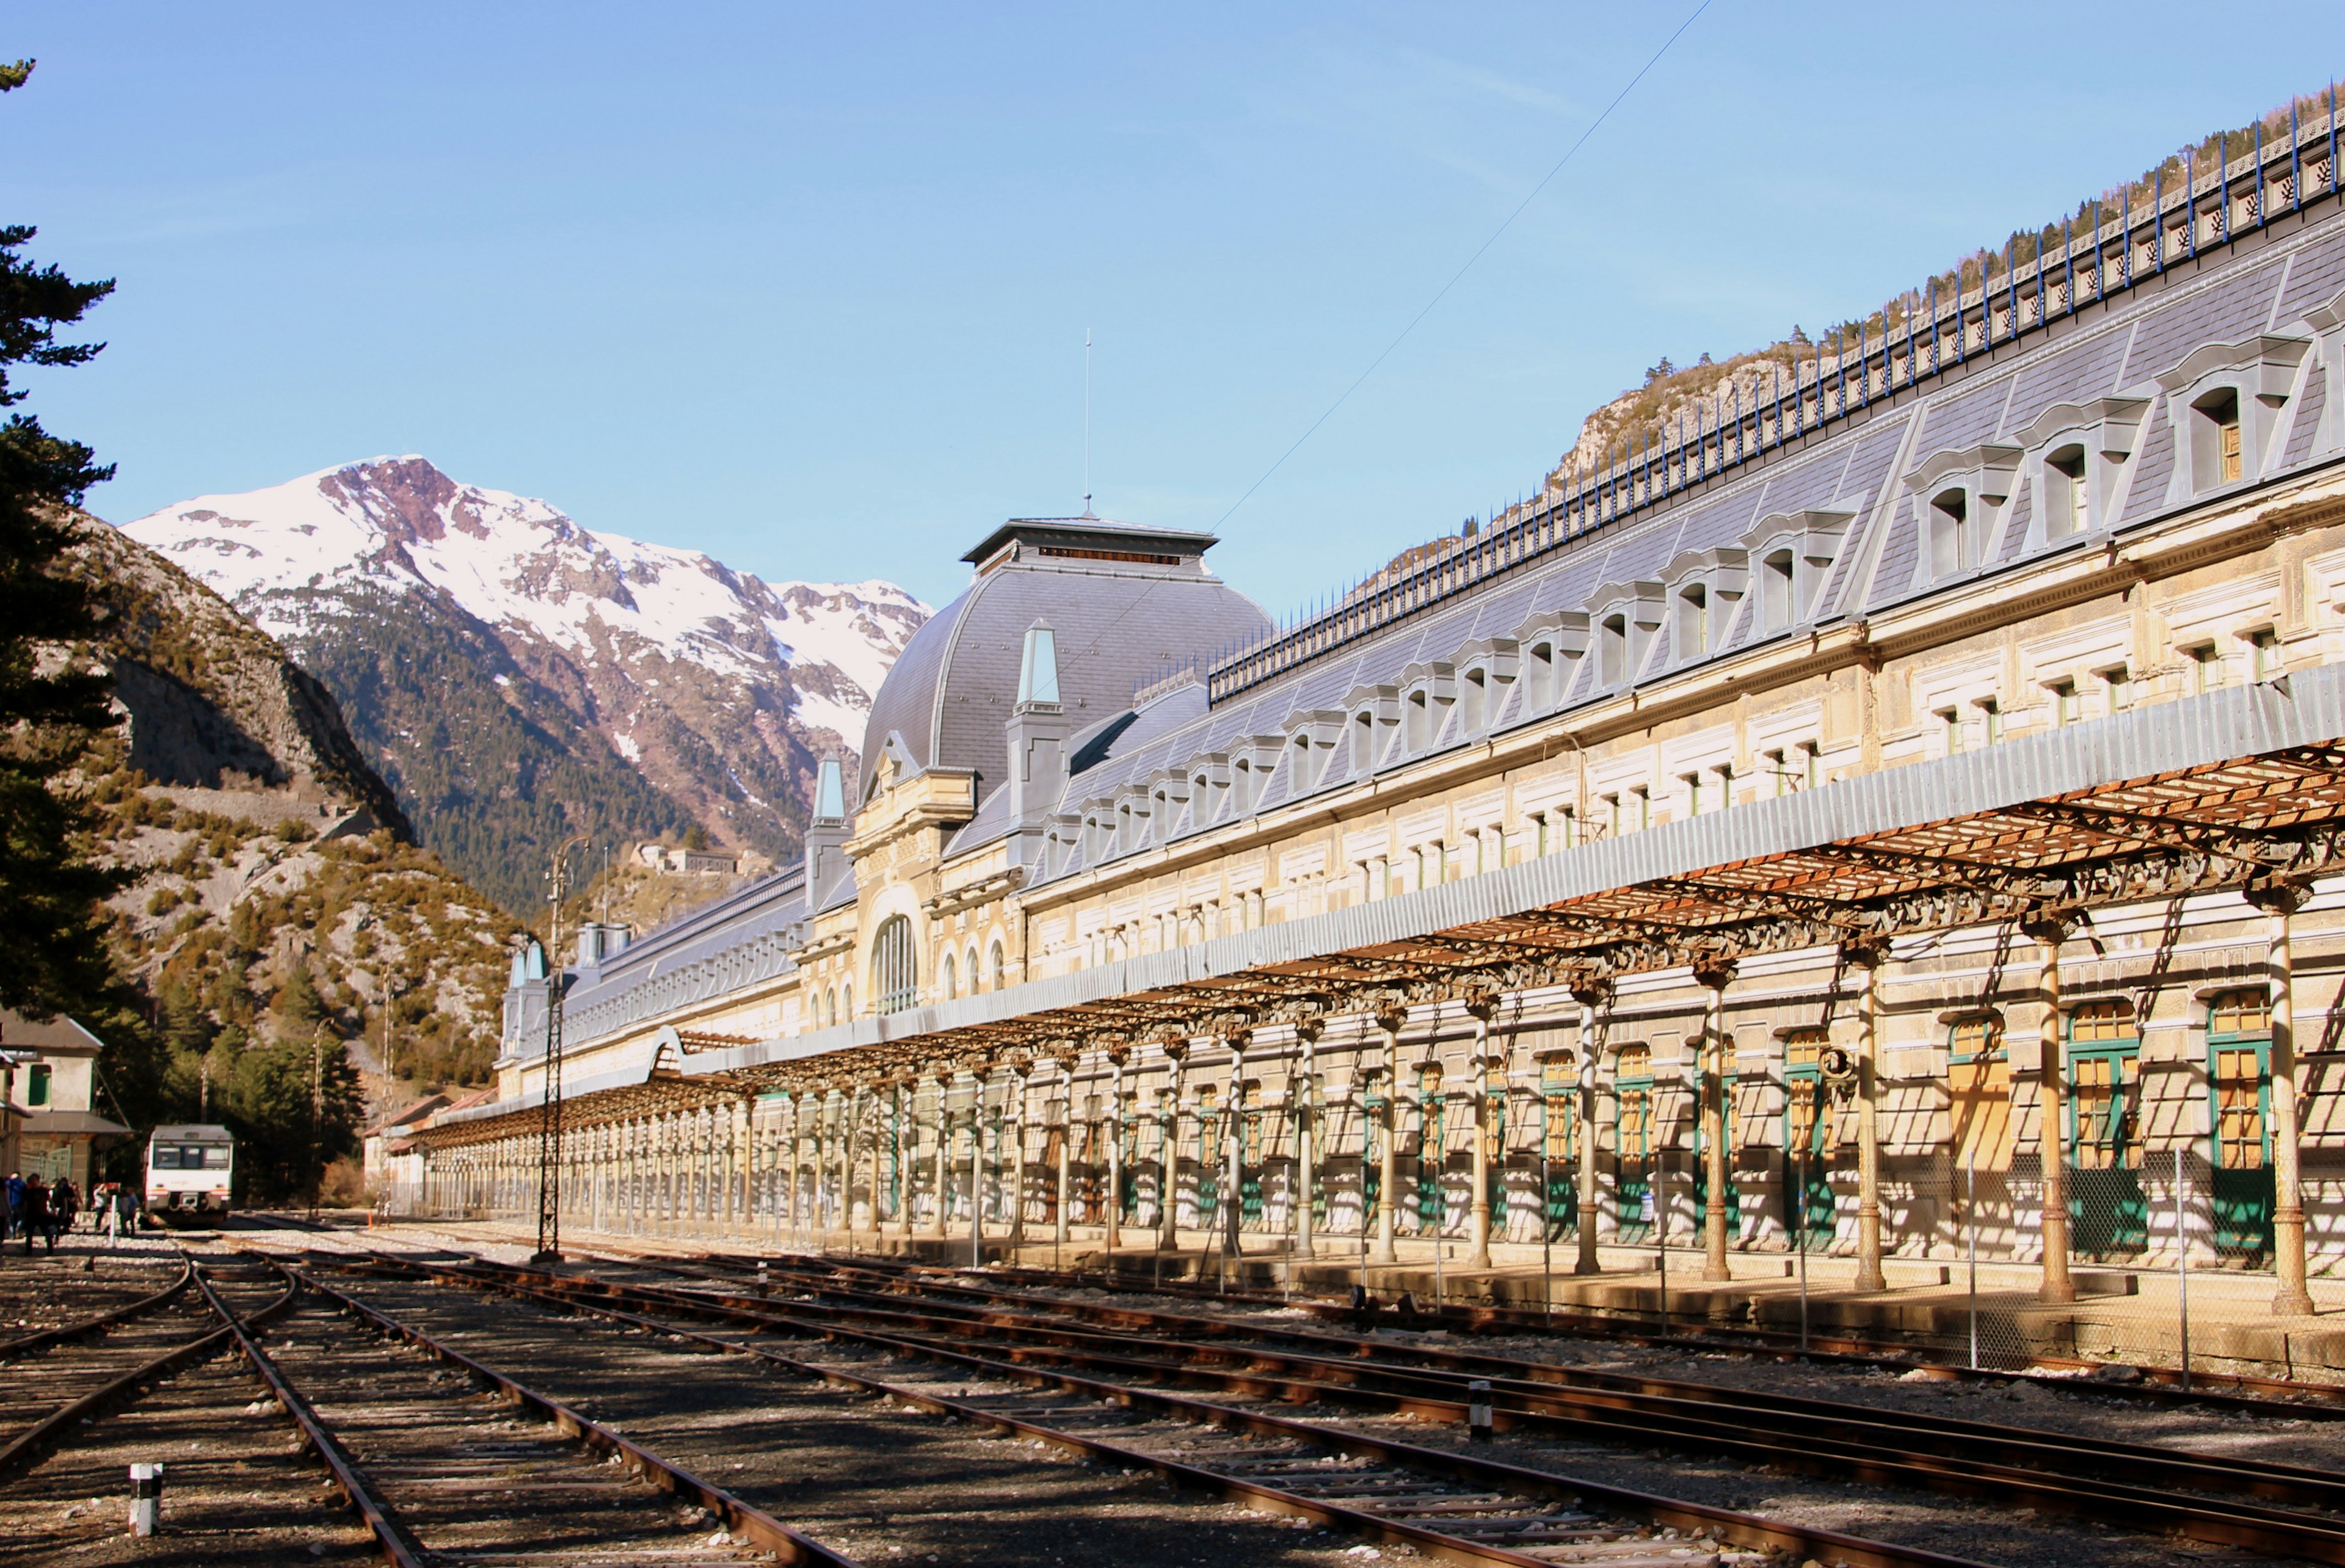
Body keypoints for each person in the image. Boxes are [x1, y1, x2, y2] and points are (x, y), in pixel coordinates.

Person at [21, 1176, 48, 1254]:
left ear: (38, 1181)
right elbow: (25, 1204)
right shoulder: (29, 1192)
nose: (32, 1182)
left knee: (46, 1232)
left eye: (34, 1180)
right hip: (31, 1215)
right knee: (29, 1234)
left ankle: (50, 1249)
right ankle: (28, 1251)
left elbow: (49, 1200)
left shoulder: (43, 1190)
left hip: (42, 1214)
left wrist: (53, 1211)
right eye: (31, 1181)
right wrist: (24, 1213)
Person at [51, 1176, 77, 1240]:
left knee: (58, 1220)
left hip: (58, 1206)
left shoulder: (56, 1190)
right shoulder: (63, 1189)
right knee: (63, 1219)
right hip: (64, 1206)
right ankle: (62, 1230)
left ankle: (59, 1231)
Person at [2, 1171, 21, 1244]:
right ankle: (16, 1230)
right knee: (20, 1219)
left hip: (10, 1205)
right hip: (18, 1204)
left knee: (11, 1221)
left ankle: (13, 1233)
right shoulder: (22, 1184)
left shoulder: (7, 1184)